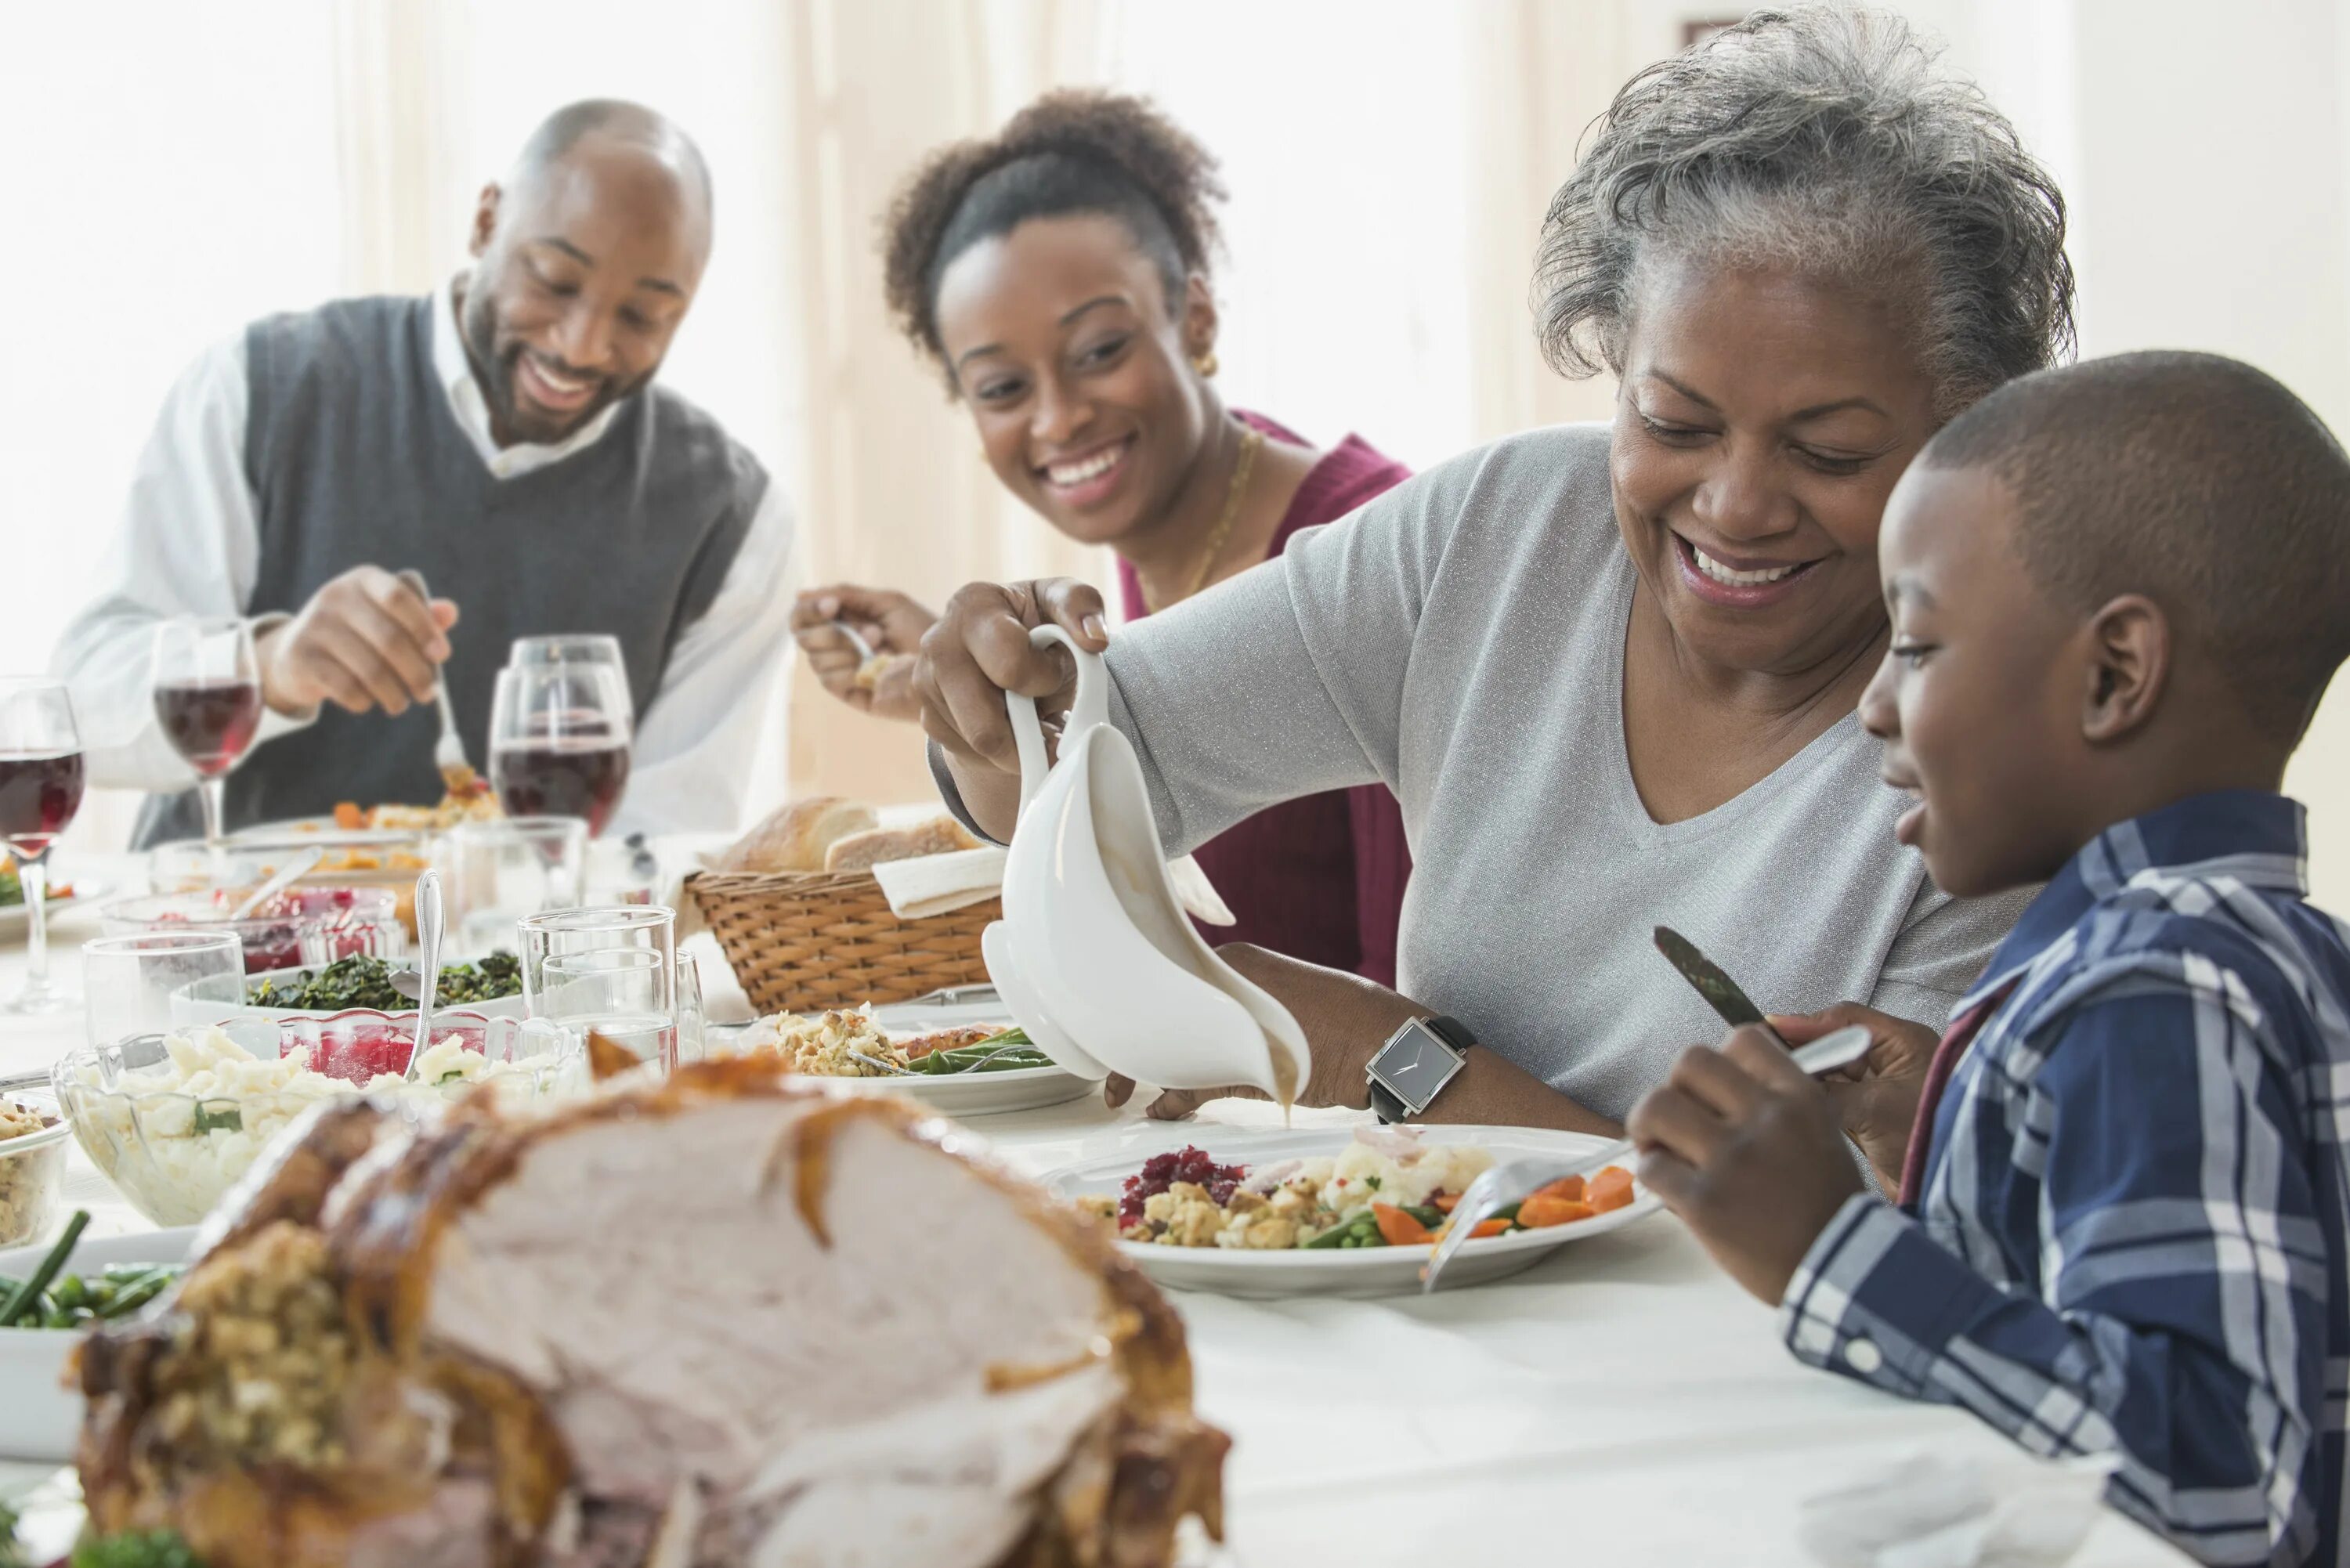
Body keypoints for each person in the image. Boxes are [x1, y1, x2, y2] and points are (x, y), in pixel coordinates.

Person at [911, 11, 2073, 1132]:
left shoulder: (2010, 760)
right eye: (1674, 423)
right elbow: (1093, 765)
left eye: (1828, 451)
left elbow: (1834, 1246)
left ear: (1971, 432)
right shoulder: (1502, 536)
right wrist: (991, 707)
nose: (1736, 507)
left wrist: (1365, 1049)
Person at [1626, 352, 2350, 1566]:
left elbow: (2215, 1480)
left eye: (1913, 645)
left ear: (2115, 673)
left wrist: (1828, 1251)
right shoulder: (2261, 953)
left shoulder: (2149, 986)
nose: (1870, 706)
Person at [790, 92, 1415, 985]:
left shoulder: (1365, 558)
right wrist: (982, 701)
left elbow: (1423, 983)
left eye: (1099, 350)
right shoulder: (1160, 537)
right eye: (1003, 388)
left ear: (1194, 317)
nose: (1060, 419)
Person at [53, 99, 794, 845]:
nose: (581, 346)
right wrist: (269, 666)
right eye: (553, 281)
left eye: (641, 318)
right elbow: (80, 702)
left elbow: (663, 841)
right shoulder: (262, 389)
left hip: (520, 956)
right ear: (485, 221)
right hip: (225, 943)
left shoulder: (732, 520)